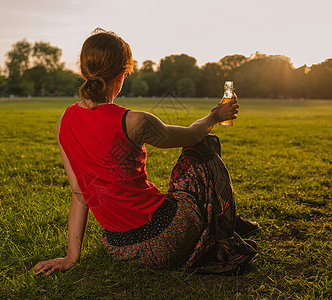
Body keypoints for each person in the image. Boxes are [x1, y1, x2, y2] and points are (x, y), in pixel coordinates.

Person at [32, 28, 259, 276]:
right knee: (203, 145)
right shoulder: (134, 121)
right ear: (123, 73)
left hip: (122, 248)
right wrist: (214, 115)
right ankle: (224, 224)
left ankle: (223, 220)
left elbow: (80, 193)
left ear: (84, 72)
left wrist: (71, 257)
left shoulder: (63, 121)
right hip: (170, 238)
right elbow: (193, 134)